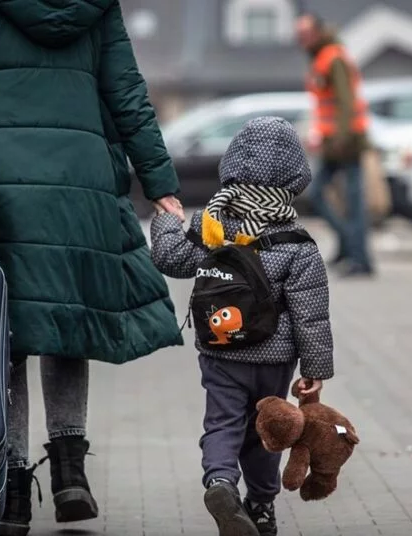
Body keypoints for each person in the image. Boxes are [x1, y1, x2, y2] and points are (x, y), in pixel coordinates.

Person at [0, 1, 185, 534]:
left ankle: (11, 486)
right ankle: (69, 471)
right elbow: (124, 87)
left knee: (4, 333)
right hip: (78, 180)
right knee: (65, 321)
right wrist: (160, 182)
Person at [151, 117, 334, 536]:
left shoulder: (211, 227)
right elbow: (311, 312)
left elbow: (169, 259)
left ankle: (219, 482)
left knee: (222, 422)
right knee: (268, 430)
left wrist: (166, 218)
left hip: (220, 350)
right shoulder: (296, 241)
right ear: (295, 174)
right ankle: (262, 506)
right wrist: (315, 372)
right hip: (274, 358)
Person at [296, 13, 374, 277]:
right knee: (321, 194)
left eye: (305, 34)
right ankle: (348, 247)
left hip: (347, 140)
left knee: (351, 201)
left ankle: (360, 258)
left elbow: (346, 102)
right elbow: (323, 105)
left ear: (318, 32)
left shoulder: (334, 58)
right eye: (299, 35)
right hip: (334, 140)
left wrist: (340, 137)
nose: (301, 40)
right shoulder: (321, 58)